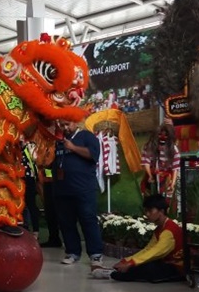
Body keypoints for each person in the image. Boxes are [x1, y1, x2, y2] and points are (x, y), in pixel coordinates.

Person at [91, 194, 183, 282]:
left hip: (177, 268)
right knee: (142, 264)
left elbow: (156, 252)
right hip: (166, 263)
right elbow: (148, 249)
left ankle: (111, 274)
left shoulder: (169, 231)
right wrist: (127, 260)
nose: (147, 214)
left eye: (150, 211)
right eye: (146, 211)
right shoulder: (160, 228)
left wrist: (131, 263)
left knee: (146, 268)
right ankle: (113, 272)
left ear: (161, 211)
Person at [53, 120, 104, 265]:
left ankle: (95, 254)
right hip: (62, 189)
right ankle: (72, 252)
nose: (65, 127)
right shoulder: (57, 140)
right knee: (66, 222)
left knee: (88, 220)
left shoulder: (86, 136)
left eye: (67, 124)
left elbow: (93, 154)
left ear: (75, 123)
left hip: (84, 189)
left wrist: (73, 147)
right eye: (62, 125)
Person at [21, 140, 40, 239]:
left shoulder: (30, 145)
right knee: (20, 205)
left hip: (29, 178)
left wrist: (28, 146)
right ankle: (24, 227)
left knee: (31, 204)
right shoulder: (15, 147)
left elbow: (35, 158)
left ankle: (36, 231)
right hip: (17, 179)